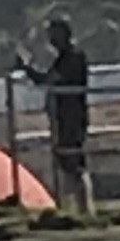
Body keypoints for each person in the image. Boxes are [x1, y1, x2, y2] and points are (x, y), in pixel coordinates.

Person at [34, 13, 91, 207]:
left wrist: (29, 71)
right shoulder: (63, 58)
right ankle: (74, 207)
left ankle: (83, 207)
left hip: (72, 117)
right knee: (66, 162)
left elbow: (51, 79)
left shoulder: (73, 57)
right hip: (63, 117)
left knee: (74, 161)